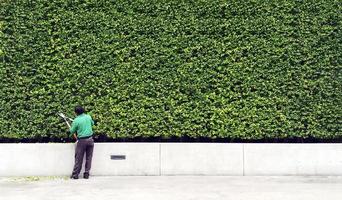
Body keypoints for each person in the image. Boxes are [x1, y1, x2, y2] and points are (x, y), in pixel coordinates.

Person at [69, 105, 95, 179]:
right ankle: (86, 174)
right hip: (90, 140)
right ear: (83, 110)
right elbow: (92, 123)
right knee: (89, 157)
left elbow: (72, 131)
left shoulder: (76, 120)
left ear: (76, 112)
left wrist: (71, 127)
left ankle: (75, 175)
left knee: (78, 158)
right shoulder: (88, 117)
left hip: (82, 141)